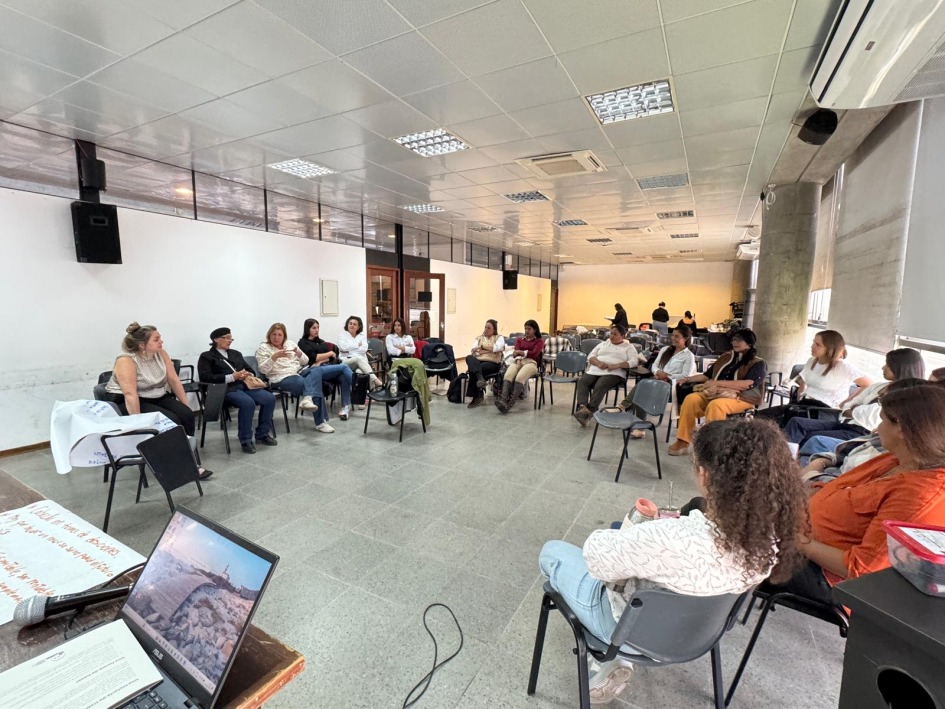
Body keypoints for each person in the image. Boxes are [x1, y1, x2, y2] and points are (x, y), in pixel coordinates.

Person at [539, 418, 806, 703]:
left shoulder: (668, 538)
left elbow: (595, 559)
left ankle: (613, 656)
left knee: (553, 552)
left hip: (628, 632)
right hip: (699, 636)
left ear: (704, 475)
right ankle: (613, 659)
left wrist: (643, 532)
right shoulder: (768, 544)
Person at [770, 385, 945, 604]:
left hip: (829, 579)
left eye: (882, 421)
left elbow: (861, 570)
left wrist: (796, 540)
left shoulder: (920, 495)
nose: (877, 428)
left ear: (901, 429)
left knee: (741, 541)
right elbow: (843, 488)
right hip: (802, 534)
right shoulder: (897, 459)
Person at [105, 323, 211, 479]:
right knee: (171, 421)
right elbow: (130, 393)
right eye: (156, 339)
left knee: (187, 415)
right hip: (130, 400)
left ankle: (186, 456)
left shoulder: (161, 354)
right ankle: (180, 464)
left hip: (156, 394)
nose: (161, 341)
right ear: (142, 345)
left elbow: (174, 380)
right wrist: (138, 421)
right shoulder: (126, 361)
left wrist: (185, 405)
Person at [783, 348, 924, 446]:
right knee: (796, 422)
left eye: (887, 365)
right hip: (845, 423)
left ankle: (791, 467)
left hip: (862, 433)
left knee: (812, 438)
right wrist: (854, 409)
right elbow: (847, 407)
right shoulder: (878, 386)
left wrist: (854, 409)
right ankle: (782, 458)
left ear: (900, 367)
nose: (883, 368)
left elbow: (870, 418)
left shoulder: (904, 395)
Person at [668, 328, 767, 456]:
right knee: (691, 399)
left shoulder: (758, 363)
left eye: (739, 340)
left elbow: (748, 383)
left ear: (749, 343)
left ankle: (713, 447)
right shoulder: (726, 357)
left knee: (716, 405)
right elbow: (707, 376)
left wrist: (717, 383)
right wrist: (687, 379)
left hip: (743, 398)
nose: (735, 342)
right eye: (734, 340)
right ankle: (683, 441)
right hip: (717, 393)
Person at [756, 330, 872, 427]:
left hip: (825, 410)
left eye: (818, 345)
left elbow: (868, 385)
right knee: (759, 416)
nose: (812, 346)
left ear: (830, 349)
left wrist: (845, 404)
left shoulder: (842, 366)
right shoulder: (812, 361)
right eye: (813, 342)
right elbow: (804, 381)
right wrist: (799, 396)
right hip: (805, 404)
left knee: (782, 424)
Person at [198, 328, 277, 454]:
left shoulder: (236, 354)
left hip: (245, 385)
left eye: (231, 338)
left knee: (269, 399)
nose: (230, 341)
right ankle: (245, 440)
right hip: (225, 389)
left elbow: (250, 369)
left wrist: (248, 373)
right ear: (216, 339)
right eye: (227, 338)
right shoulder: (206, 356)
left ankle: (262, 435)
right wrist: (231, 377)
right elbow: (205, 377)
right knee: (247, 403)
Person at [616, 325, 696, 438]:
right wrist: (658, 372)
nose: (673, 338)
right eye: (673, 335)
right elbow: (654, 365)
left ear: (686, 338)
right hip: (657, 380)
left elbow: (686, 375)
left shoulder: (689, 356)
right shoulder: (665, 350)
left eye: (677, 336)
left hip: (671, 385)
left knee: (642, 389)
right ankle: (638, 424)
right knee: (642, 388)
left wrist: (667, 376)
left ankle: (625, 407)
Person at [573, 325, 638, 426]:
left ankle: (590, 410)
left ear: (622, 336)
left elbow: (634, 361)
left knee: (601, 384)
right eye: (611, 333)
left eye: (615, 334)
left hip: (614, 373)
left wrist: (618, 365)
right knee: (583, 381)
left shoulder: (628, 347)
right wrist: (598, 363)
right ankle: (582, 408)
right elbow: (591, 356)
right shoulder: (603, 344)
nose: (611, 336)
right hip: (596, 370)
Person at [298, 318, 354, 420]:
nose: (316, 330)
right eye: (314, 328)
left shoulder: (321, 342)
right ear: (307, 329)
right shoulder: (303, 343)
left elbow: (332, 357)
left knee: (343, 377)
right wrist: (329, 353)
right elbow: (313, 357)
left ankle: (346, 407)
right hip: (313, 371)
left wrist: (320, 361)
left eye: (318, 328)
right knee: (344, 367)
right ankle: (358, 388)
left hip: (325, 367)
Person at [496, 319, 544, 413]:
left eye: (529, 329)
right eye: (525, 328)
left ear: (535, 330)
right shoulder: (519, 340)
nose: (526, 331)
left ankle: (509, 405)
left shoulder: (539, 341)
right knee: (508, 375)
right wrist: (518, 360)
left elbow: (534, 354)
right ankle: (503, 400)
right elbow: (515, 353)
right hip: (518, 361)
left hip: (531, 363)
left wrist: (521, 352)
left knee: (519, 377)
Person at [338, 315, 382, 396]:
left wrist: (349, 349)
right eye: (350, 323)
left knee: (360, 372)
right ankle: (376, 381)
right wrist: (357, 345)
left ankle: (362, 398)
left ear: (358, 327)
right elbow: (343, 347)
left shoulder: (362, 337)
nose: (352, 325)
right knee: (357, 358)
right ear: (347, 324)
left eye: (354, 324)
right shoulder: (342, 335)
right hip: (346, 362)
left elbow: (364, 349)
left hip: (360, 363)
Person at [465, 319, 505, 408]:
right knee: (469, 357)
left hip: (493, 362)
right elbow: (474, 351)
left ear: (494, 330)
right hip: (479, 361)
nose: (486, 329)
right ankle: (480, 379)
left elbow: (497, 348)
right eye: (485, 327)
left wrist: (482, 347)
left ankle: (477, 396)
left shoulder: (499, 338)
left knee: (473, 370)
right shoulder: (479, 338)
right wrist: (490, 350)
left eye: (489, 328)